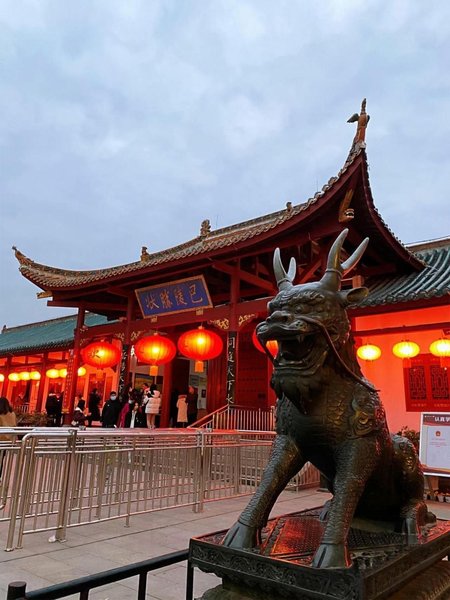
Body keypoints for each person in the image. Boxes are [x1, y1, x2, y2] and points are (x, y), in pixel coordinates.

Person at [0, 397, 16, 478]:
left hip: (0, 438)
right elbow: (14, 425)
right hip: (7, 440)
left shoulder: (0, 415)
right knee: (1, 459)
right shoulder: (12, 414)